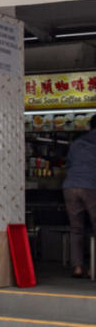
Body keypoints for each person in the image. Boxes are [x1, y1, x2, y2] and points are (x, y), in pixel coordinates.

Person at [63, 115, 96, 278]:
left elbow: (68, 165)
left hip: (70, 186)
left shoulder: (76, 143)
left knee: (76, 229)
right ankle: (93, 268)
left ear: (89, 127)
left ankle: (78, 267)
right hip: (91, 186)